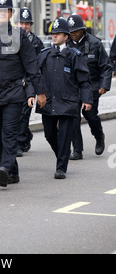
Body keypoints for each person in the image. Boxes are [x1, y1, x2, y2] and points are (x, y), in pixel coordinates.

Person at [0, 0, 47, 188]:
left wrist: (39, 92)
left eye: (5, 11)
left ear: (10, 14)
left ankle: (5, 167)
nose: (1, 14)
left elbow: (31, 66)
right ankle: (13, 172)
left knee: (9, 134)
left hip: (13, 92)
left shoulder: (20, 37)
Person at [34, 17, 93, 179]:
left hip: (68, 103)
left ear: (66, 36)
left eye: (58, 34)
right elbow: (35, 77)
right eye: (53, 33)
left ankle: (61, 167)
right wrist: (30, 95)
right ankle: (63, 153)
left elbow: (84, 80)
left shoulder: (74, 56)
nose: (54, 36)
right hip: (48, 102)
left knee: (65, 135)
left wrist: (87, 100)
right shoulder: (45, 55)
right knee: (49, 134)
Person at [67, 14, 112, 159]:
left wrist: (104, 85)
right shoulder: (66, 44)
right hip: (72, 88)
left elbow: (106, 66)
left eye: (75, 31)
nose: (72, 34)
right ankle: (77, 150)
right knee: (73, 118)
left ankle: (99, 136)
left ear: (82, 30)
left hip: (91, 87)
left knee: (90, 116)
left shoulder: (95, 44)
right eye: (70, 31)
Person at [16, 7, 44, 156]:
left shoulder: (37, 43)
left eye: (27, 23)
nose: (24, 26)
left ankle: (20, 143)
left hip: (30, 81)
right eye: (21, 23)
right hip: (15, 80)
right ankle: (25, 135)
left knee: (24, 112)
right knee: (16, 113)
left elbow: (39, 66)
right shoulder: (10, 39)